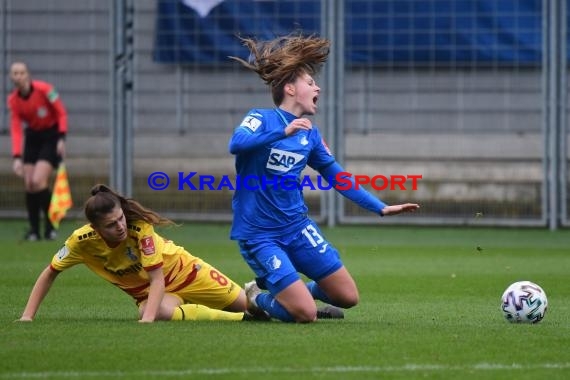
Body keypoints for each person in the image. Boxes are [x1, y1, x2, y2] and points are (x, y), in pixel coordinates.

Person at [228, 33, 420, 323]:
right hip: (260, 235)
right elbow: (236, 144)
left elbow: (337, 176)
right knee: (306, 315)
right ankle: (258, 297)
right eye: (310, 82)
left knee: (347, 297)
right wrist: (282, 131)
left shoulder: (310, 134)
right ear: (290, 89)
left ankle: (292, 294)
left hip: (297, 227)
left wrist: (379, 207)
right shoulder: (261, 118)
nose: (317, 87)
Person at [19, 184, 267, 323]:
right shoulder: (80, 242)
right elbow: (50, 273)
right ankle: (240, 320)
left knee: (256, 307)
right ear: (95, 228)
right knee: (153, 311)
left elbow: (157, 277)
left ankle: (275, 301)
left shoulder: (140, 229)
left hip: (188, 272)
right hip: (153, 293)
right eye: (111, 224)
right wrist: (27, 317)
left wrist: (145, 323)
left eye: (120, 218)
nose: (120, 226)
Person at [7, 61, 68, 241]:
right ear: (12, 77)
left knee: (38, 181)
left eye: (21, 73)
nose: (18, 76)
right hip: (33, 137)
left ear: (28, 74)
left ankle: (50, 228)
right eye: (15, 73)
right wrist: (17, 156)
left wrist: (61, 138)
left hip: (50, 136)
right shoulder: (13, 100)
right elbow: (16, 128)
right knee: (29, 184)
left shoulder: (45, 89)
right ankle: (34, 230)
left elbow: (61, 113)